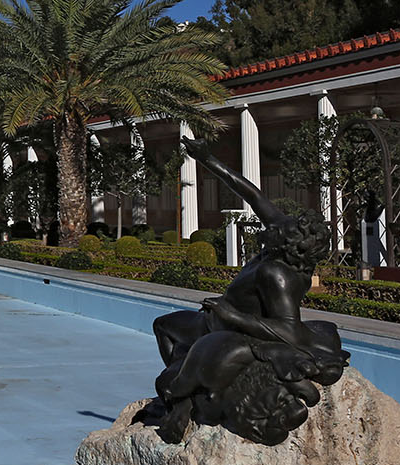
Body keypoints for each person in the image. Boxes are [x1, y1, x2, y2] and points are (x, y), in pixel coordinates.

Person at [148, 137, 345, 445]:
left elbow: (289, 331)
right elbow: (252, 194)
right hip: (215, 319)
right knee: (166, 328)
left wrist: (232, 315)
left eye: (281, 229)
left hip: (226, 328)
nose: (272, 225)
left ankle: (181, 396)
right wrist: (207, 160)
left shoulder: (278, 275)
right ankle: (183, 387)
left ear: (290, 246)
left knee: (165, 328)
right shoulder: (278, 242)